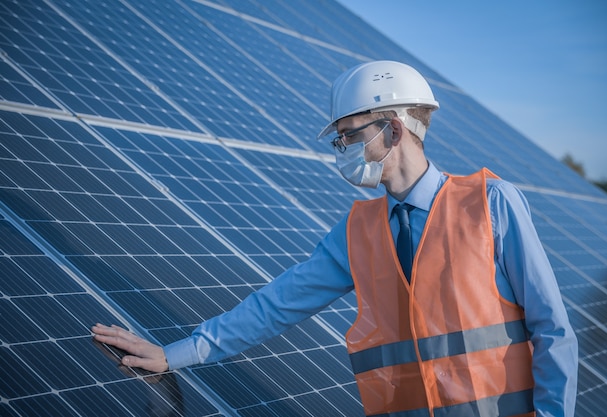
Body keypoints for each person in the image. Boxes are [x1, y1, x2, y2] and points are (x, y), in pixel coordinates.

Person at [93, 60, 578, 416]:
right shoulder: (358, 231)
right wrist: (175, 354)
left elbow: (552, 329)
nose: (342, 149)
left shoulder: (491, 203)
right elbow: (275, 306)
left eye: (350, 134)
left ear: (393, 129)